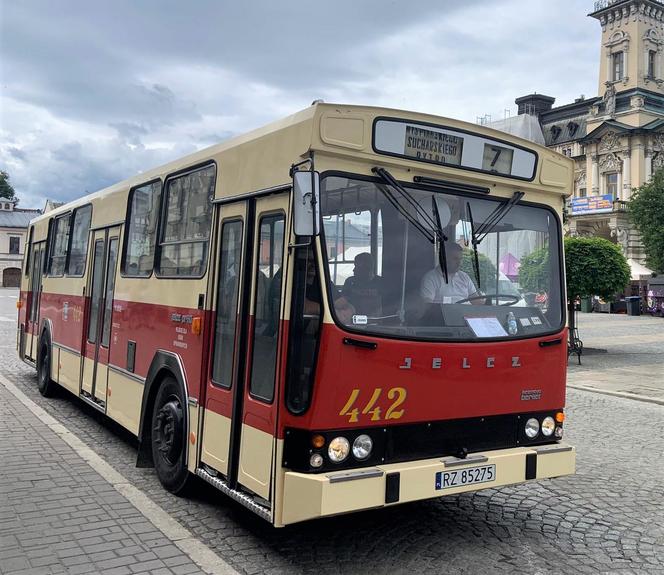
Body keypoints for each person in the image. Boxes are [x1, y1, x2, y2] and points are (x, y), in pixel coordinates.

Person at [342, 252, 384, 317]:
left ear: (368, 268)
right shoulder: (350, 282)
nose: (353, 270)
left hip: (375, 321)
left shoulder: (381, 283)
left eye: (357, 266)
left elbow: (387, 305)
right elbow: (343, 302)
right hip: (352, 320)